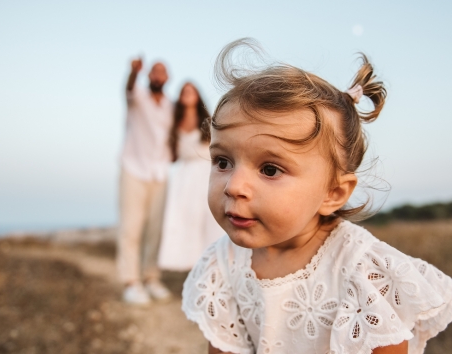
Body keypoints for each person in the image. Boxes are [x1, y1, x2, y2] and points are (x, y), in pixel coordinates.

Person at [182, 39, 452, 354]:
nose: (233, 186)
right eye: (223, 162)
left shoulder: (363, 273)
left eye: (270, 169)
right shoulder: (224, 262)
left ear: (332, 194)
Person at [117, 58, 173, 306]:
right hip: (134, 169)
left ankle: (151, 278)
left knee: (155, 230)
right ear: (149, 76)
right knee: (131, 228)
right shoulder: (138, 96)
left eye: (162, 72)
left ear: (167, 78)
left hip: (160, 173)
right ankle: (131, 282)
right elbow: (128, 88)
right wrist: (133, 72)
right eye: (154, 72)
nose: (158, 76)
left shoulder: (171, 107)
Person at [158, 82, 224, 271]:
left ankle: (215, 261)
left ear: (197, 95)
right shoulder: (173, 122)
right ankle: (192, 263)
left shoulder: (207, 119)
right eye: (184, 91)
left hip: (205, 172)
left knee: (209, 216)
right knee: (185, 218)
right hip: (185, 177)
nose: (187, 94)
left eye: (191, 90)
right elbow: (172, 156)